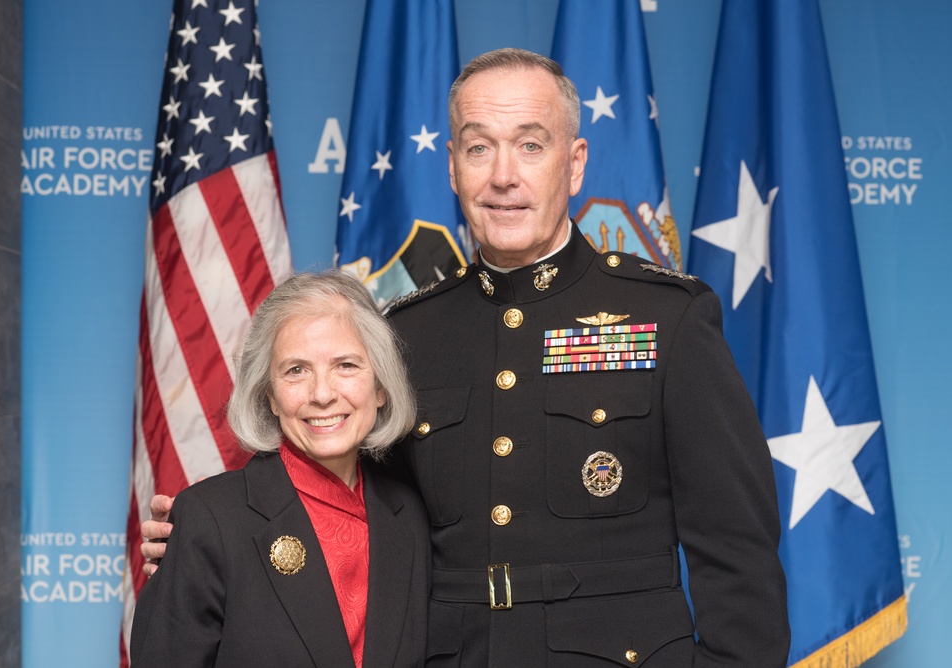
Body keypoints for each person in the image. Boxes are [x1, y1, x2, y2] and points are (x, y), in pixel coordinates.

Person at [143, 48, 790, 666]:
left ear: (576, 163)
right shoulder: (406, 334)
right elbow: (341, 492)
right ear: (452, 165)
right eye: (480, 148)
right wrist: (211, 534)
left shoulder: (667, 319)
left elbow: (739, 560)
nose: (503, 176)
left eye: (531, 145)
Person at [131, 271, 429, 668]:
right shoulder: (209, 518)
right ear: (269, 395)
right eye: (296, 370)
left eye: (346, 365)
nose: (322, 394)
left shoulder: (410, 516)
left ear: (380, 387)